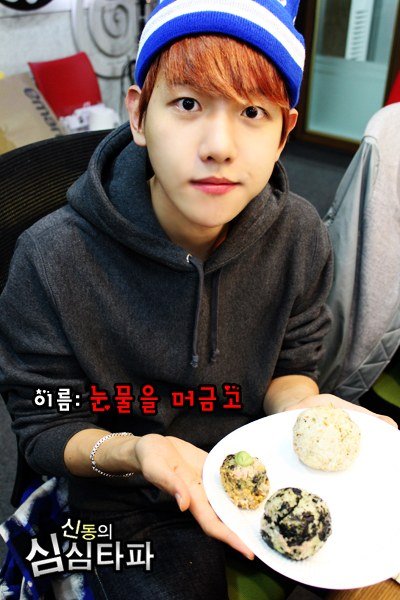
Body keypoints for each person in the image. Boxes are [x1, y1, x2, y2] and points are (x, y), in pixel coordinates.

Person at [0, 1, 396, 598]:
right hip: (123, 496)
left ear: (284, 132)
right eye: (188, 104)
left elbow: (292, 366)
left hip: (255, 471)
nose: (219, 146)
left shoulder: (298, 235)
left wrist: (308, 411)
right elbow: (45, 425)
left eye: (253, 112)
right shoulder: (50, 257)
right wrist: (137, 451)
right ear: (139, 114)